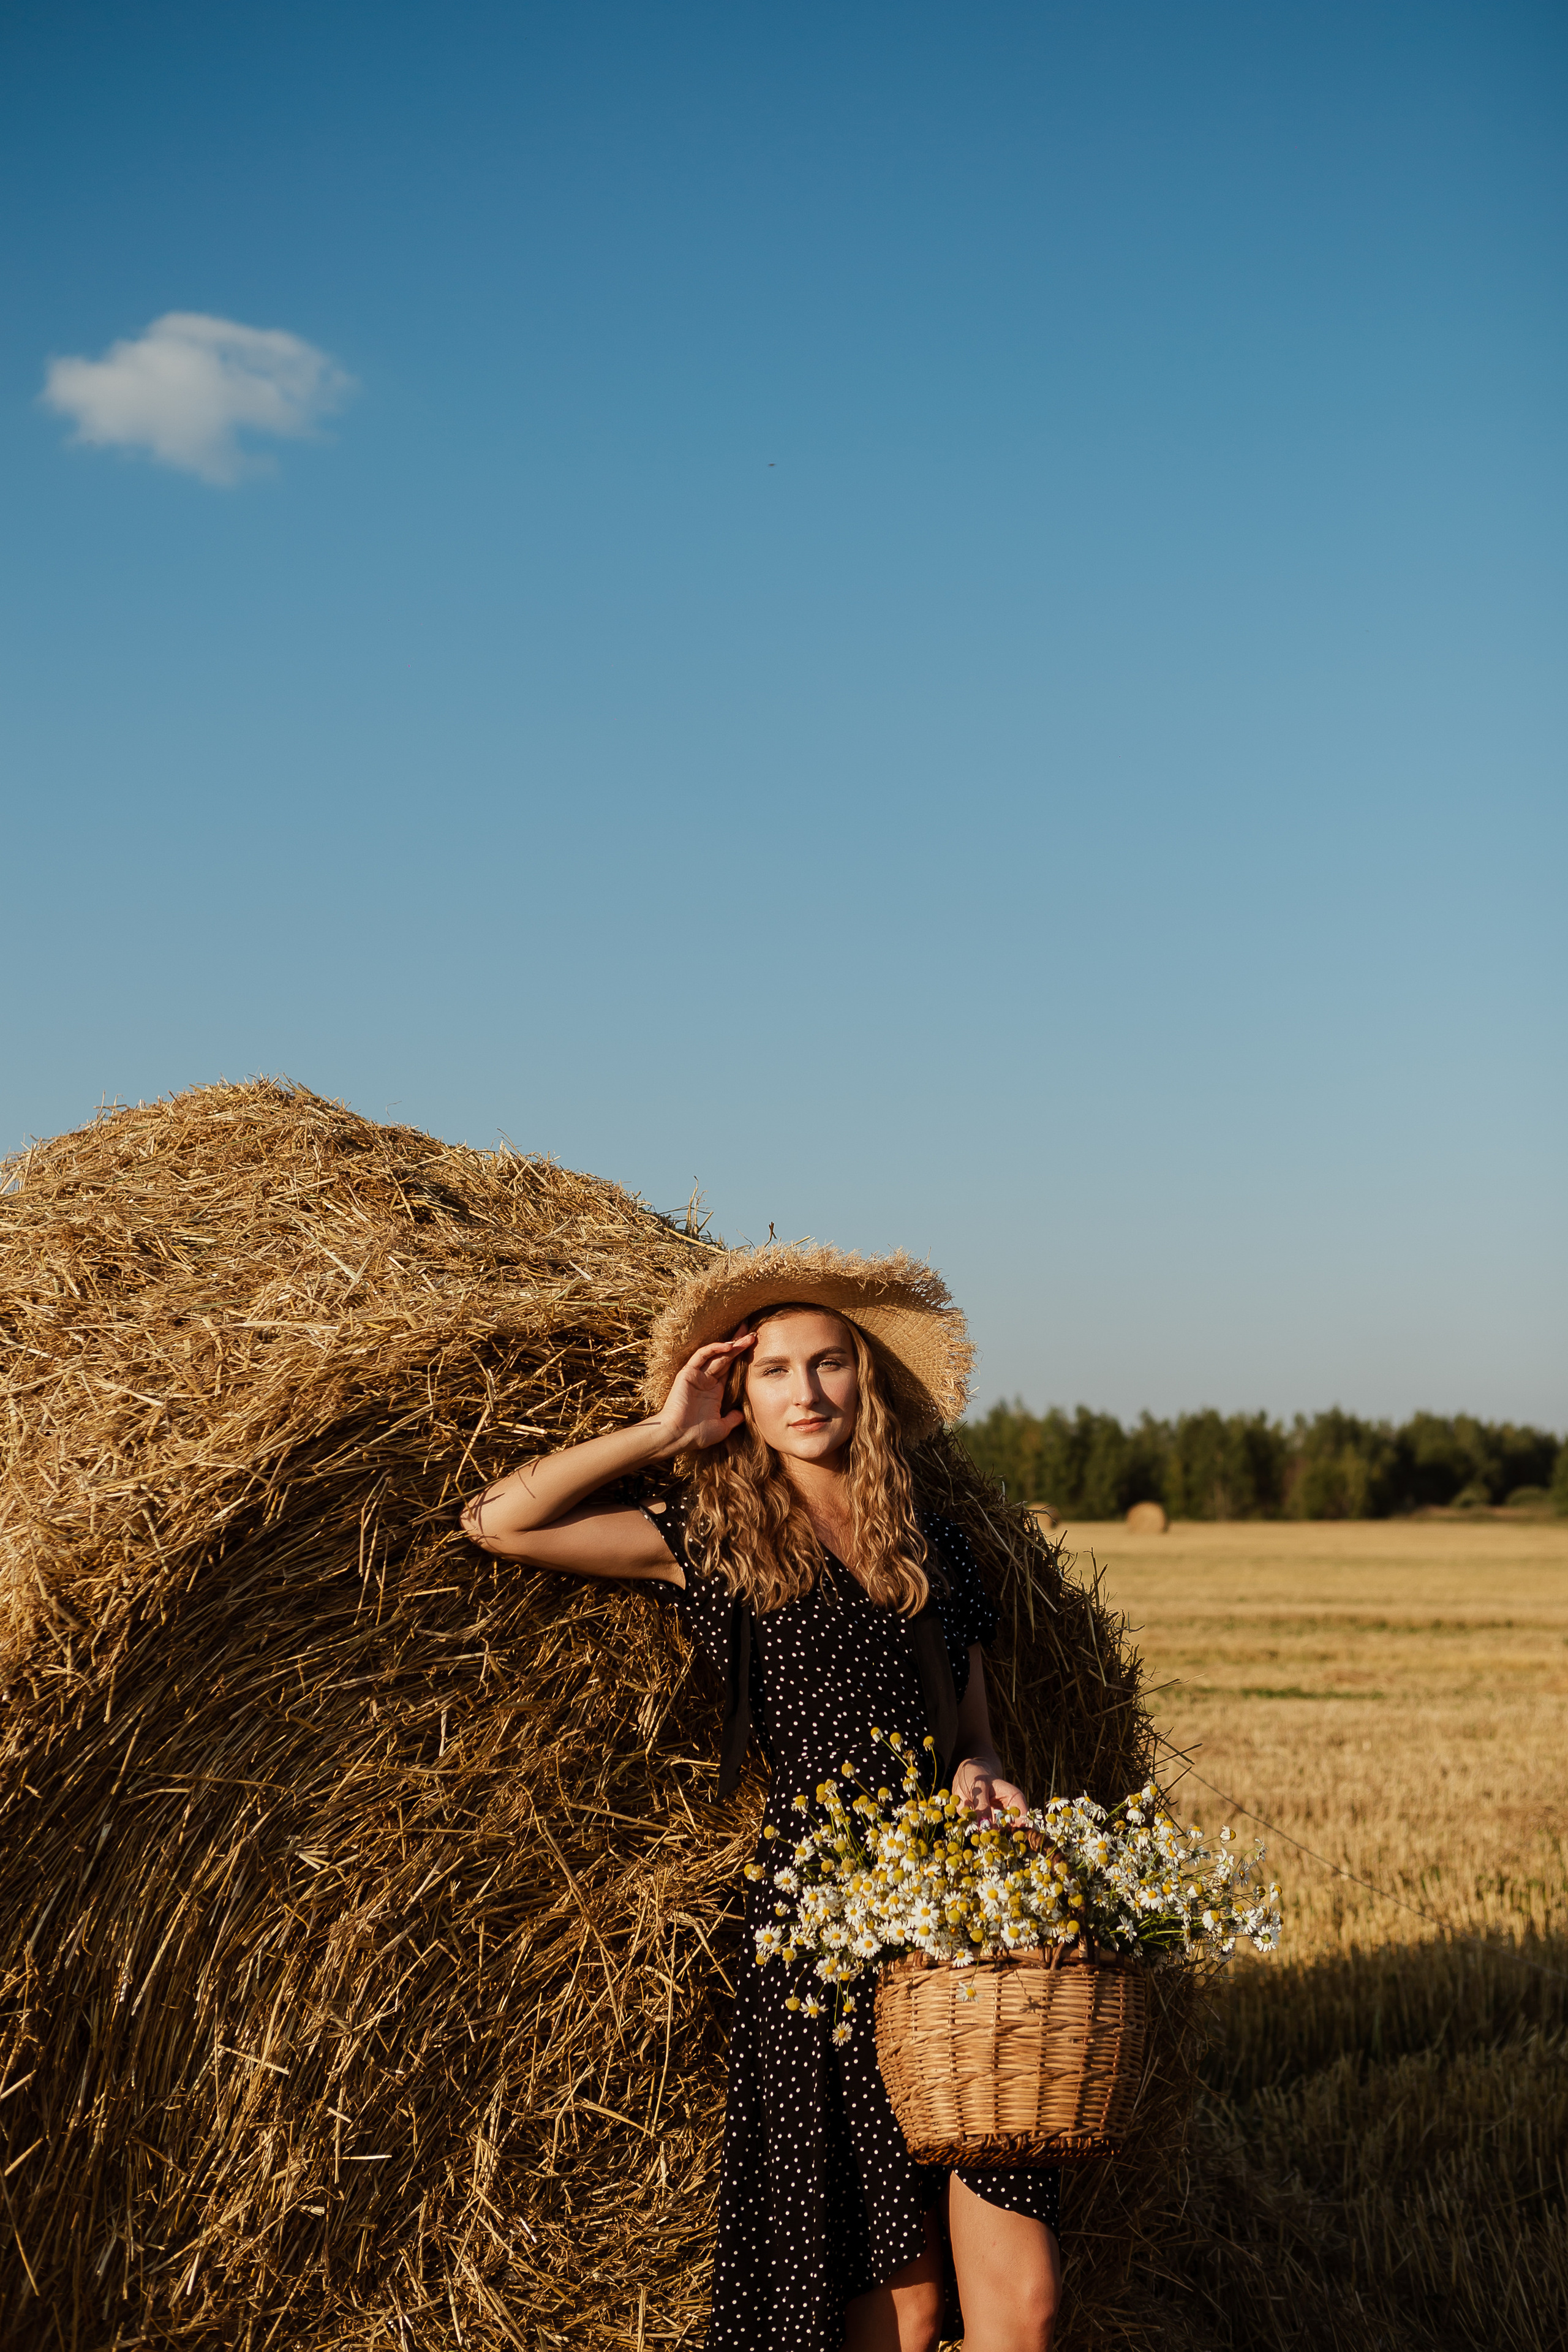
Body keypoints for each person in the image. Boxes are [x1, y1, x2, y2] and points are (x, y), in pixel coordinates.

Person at [462, 1246, 1061, 2352]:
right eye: (775, 1371)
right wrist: (664, 1434)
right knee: (904, 2297)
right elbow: (498, 1520)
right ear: (742, 1394)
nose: (806, 1392)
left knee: (1022, 2307)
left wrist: (983, 1772)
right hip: (820, 1921)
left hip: (951, 1915)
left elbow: (974, 1735)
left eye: (828, 1365)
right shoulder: (721, 1540)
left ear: (863, 1382)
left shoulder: (936, 1548)